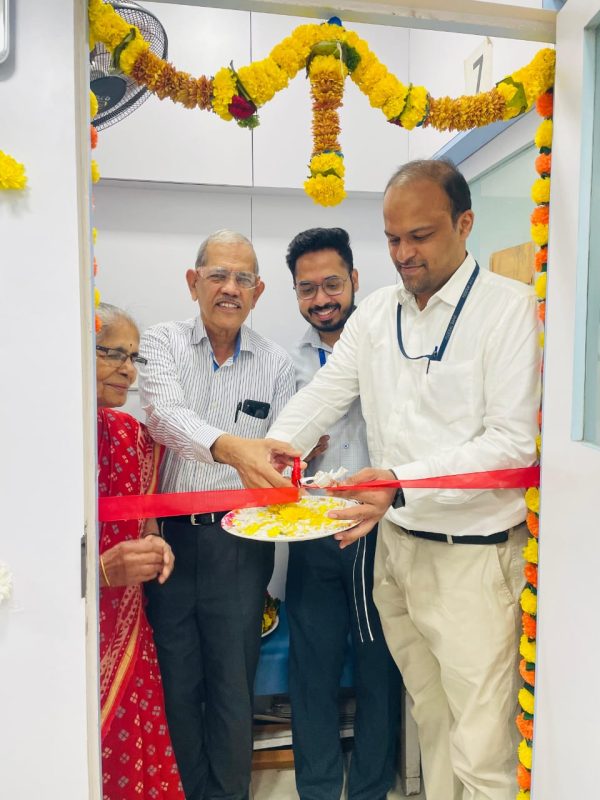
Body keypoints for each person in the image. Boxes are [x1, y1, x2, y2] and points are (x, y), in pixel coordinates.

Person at [261, 161, 541, 800]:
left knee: (483, 746)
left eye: (421, 235)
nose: (404, 254)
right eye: (392, 239)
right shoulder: (377, 313)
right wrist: (275, 446)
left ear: (464, 224)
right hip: (396, 553)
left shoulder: (508, 310)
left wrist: (397, 480)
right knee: (430, 718)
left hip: (472, 562)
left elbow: (511, 443)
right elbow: (326, 393)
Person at [138, 230, 296, 800]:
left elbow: (285, 443)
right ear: (193, 281)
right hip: (169, 546)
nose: (230, 289)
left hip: (242, 542)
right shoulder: (160, 343)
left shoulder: (276, 363)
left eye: (244, 279)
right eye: (218, 275)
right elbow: (163, 417)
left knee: (233, 682)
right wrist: (234, 447)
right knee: (178, 680)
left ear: (259, 291)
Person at [284, 227, 400, 800]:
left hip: (378, 528)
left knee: (379, 663)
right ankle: (319, 788)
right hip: (311, 530)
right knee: (313, 666)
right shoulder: (287, 363)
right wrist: (300, 452)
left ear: (355, 279)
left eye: (332, 283)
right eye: (308, 288)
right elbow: (272, 447)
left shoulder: (387, 342)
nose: (322, 298)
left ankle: (373, 789)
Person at [96, 302, 184, 800]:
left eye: (134, 357)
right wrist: (98, 572)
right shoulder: (40, 444)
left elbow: (145, 521)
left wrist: (155, 543)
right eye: (113, 353)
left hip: (130, 632)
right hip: (71, 637)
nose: (128, 370)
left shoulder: (132, 436)